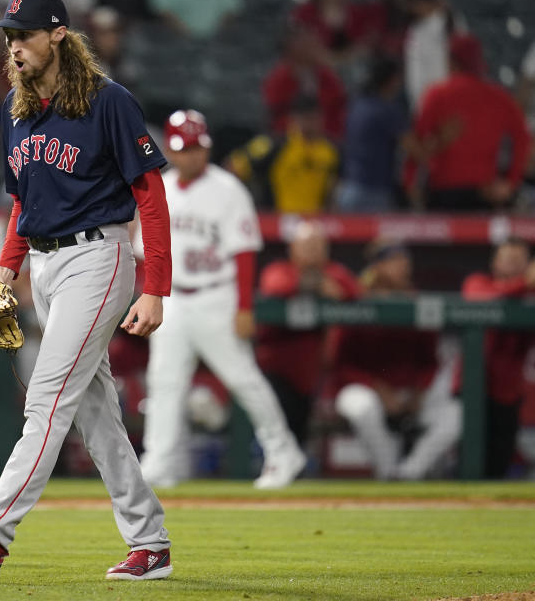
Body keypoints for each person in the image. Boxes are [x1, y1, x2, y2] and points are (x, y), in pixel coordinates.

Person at [0, 0, 174, 583]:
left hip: (98, 257)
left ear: (58, 35)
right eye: (8, 37)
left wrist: (155, 286)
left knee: (47, 396)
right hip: (45, 266)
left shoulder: (109, 102)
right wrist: (2, 274)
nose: (13, 47)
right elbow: (21, 206)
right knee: (96, 414)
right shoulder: (21, 108)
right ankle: (150, 543)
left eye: (24, 35)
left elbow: (151, 197)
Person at [138, 109, 305, 490]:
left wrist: (244, 307)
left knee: (243, 379)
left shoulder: (228, 190)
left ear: (207, 147)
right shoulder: (157, 187)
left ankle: (283, 452)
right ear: (171, 151)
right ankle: (161, 461)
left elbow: (244, 252)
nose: (191, 156)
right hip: (173, 299)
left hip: (217, 294)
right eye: (184, 149)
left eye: (197, 148)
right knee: (164, 382)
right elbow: (145, 253)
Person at [332, 241, 461, 480]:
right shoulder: (358, 300)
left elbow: (430, 361)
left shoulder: (416, 301)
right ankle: (387, 471)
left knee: (456, 414)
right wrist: (378, 388)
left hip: (409, 394)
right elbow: (341, 364)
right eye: (395, 261)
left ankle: (409, 472)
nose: (403, 267)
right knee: (362, 407)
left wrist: (420, 391)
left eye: (405, 262)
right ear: (377, 267)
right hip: (368, 390)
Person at [256, 221, 361, 444]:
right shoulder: (281, 270)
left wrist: (324, 283)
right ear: (293, 249)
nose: (313, 252)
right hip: (276, 370)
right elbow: (274, 285)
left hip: (312, 375)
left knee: (300, 436)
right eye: (307, 246)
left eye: (318, 246)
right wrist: (315, 284)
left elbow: (353, 289)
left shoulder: (333, 272)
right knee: (277, 433)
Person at [403, 35, 530, 211]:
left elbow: (417, 141)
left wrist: (410, 182)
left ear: (451, 61)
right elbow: (523, 139)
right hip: (485, 192)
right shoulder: (499, 97)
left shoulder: (437, 94)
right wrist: (510, 182)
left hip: (443, 190)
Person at [462, 237, 535, 478]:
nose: (513, 266)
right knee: (466, 459)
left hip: (508, 393)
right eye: (508, 259)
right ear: (494, 262)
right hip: (470, 391)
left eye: (519, 261)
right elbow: (479, 300)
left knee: (498, 464)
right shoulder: (478, 282)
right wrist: (524, 282)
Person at [227, 95, 339, 213]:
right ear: (293, 119)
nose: (310, 124)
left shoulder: (330, 151)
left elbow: (334, 189)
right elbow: (233, 166)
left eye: (314, 118)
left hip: (315, 224)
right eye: (305, 118)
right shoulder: (273, 144)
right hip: (276, 222)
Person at [336, 56, 408, 212]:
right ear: (392, 80)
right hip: (373, 192)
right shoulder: (385, 110)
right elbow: (416, 149)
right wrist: (443, 138)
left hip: (348, 189)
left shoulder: (357, 104)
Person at [263, 24, 346, 139]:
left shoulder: (326, 75)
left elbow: (338, 107)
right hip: (290, 141)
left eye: (313, 43)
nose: (313, 46)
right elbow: (276, 117)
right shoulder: (278, 80)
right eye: (306, 44)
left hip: (328, 139)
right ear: (291, 49)